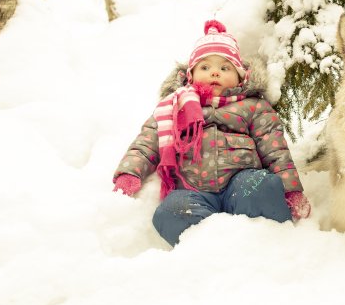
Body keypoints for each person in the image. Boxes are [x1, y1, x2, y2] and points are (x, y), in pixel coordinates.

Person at [113, 19, 311, 246]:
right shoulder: (175, 106)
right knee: (169, 213)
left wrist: (291, 190)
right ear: (190, 75)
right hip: (192, 188)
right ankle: (212, 247)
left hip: (242, 183)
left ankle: (262, 242)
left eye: (224, 67)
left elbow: (275, 149)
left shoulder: (253, 105)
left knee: (263, 186)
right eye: (205, 67)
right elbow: (147, 142)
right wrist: (129, 173)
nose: (214, 73)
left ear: (241, 76)